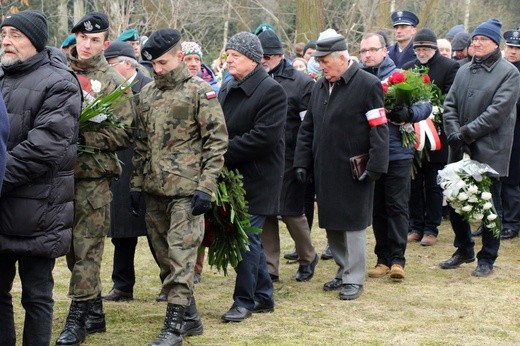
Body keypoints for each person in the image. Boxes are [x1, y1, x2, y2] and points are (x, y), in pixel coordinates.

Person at [133, 28, 228, 345]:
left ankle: (173, 329)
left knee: (181, 259)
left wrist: (207, 186)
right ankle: (192, 320)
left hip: (187, 192)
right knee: (165, 260)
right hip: (154, 190)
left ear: (178, 55)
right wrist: (136, 184)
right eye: (153, 65)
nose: (158, 69)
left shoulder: (200, 91)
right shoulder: (146, 94)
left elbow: (217, 143)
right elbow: (142, 143)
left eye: (162, 62)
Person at [0, 10, 81, 346]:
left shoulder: (60, 82)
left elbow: (43, 147)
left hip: (39, 209)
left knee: (35, 294)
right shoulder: (2, 79)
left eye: (15, 35)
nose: (6, 41)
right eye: (3, 34)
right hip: (3, 206)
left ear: (34, 41)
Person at [56, 12, 134, 346]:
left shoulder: (114, 80)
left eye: (96, 40)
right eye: (83, 39)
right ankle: (95, 309)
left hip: (93, 179)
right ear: (75, 37)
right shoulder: (58, 71)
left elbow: (125, 133)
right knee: (72, 251)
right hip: (58, 176)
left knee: (87, 248)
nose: (87, 45)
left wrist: (83, 138)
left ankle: (77, 320)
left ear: (105, 42)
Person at [294, 32, 389, 300]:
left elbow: (379, 128)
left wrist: (377, 165)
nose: (321, 67)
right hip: (325, 167)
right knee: (333, 222)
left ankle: (355, 278)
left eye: (324, 61)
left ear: (342, 58)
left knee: (354, 225)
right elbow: (308, 127)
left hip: (355, 169)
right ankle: (342, 271)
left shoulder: (368, 85)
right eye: (319, 62)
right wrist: (302, 161)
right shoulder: (319, 86)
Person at [441, 18, 520, 277]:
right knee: (455, 200)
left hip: (489, 149)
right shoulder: (463, 69)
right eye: (474, 39)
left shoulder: (509, 73)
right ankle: (464, 249)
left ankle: (488, 257)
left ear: (495, 44)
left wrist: (464, 133)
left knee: (489, 206)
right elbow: (449, 103)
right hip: (459, 146)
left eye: (482, 40)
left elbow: (497, 113)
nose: (476, 43)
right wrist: (453, 131)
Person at [218, 31, 286, 321]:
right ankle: (264, 296)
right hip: (230, 174)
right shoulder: (227, 87)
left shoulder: (271, 91)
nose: (229, 60)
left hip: (258, 176)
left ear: (254, 60)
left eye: (236, 56)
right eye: (228, 54)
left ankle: (244, 301)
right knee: (248, 238)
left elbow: (263, 138)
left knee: (245, 239)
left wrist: (220, 151)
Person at [358, 32, 431, 282]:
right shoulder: (357, 78)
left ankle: (398, 259)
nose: (367, 54)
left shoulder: (402, 76)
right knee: (377, 207)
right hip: (369, 152)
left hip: (397, 151)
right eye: (363, 51)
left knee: (397, 206)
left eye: (372, 49)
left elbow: (426, 105)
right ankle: (381, 258)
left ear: (384, 50)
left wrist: (407, 113)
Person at [257, 29, 318, 283]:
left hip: (292, 156)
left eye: (267, 58)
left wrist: (305, 160)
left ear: (279, 56)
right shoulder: (255, 80)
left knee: (292, 211)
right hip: (263, 157)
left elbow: (309, 125)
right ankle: (271, 266)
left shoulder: (301, 83)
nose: (262, 63)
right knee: (267, 212)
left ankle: (307, 256)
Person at [99, 41, 157, 302]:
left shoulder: (148, 88)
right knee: (121, 232)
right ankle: (123, 285)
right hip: (119, 168)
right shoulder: (109, 89)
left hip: (145, 167)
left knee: (157, 231)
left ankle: (171, 283)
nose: (107, 70)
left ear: (126, 64)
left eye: (110, 65)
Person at [402, 29, 460, 246]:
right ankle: (415, 225)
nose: (421, 52)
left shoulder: (449, 67)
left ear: (434, 48)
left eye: (425, 48)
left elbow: (450, 98)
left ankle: (431, 228)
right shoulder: (408, 68)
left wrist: (432, 112)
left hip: (437, 136)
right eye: (417, 48)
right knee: (414, 183)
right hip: (412, 135)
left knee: (434, 184)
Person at [180, 40, 221, 284]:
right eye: (188, 59)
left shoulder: (212, 88)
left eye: (197, 59)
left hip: (206, 163)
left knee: (202, 217)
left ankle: (196, 267)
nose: (193, 64)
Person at [500, 29, 520, 240]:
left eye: (517, 48)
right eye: (510, 47)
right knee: (497, 177)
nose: (513, 52)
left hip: (517, 132)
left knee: (512, 179)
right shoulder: (501, 69)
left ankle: (511, 222)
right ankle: (496, 219)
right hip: (499, 131)